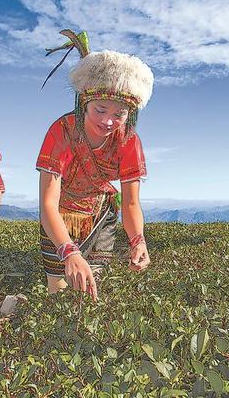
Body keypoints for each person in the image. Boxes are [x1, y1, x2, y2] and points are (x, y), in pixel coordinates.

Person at [37, 29, 152, 301]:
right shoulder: (61, 132)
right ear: (84, 103)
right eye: (100, 110)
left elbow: (131, 203)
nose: (108, 122)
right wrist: (69, 251)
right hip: (59, 216)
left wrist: (139, 241)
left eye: (119, 114)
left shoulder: (129, 141)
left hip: (100, 216)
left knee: (92, 288)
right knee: (59, 290)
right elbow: (47, 204)